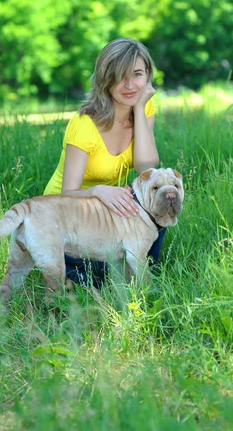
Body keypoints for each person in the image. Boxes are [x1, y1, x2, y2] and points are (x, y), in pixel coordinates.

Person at [44, 37, 165, 288]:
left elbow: (147, 169)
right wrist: (99, 191)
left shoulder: (144, 106)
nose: (130, 85)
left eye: (138, 74)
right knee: (95, 280)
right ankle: (74, 271)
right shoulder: (84, 125)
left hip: (105, 212)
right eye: (120, 76)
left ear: (148, 76)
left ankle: (130, 272)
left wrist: (140, 109)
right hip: (66, 217)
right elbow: (67, 193)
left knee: (158, 208)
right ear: (105, 79)